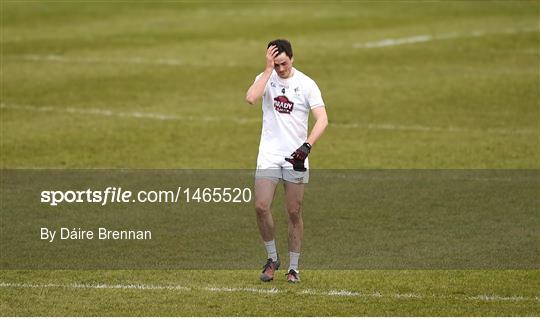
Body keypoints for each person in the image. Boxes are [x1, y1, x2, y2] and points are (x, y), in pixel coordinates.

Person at [245, 39, 328, 283]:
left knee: (294, 211)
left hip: (296, 157)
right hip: (269, 154)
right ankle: (272, 259)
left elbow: (322, 119)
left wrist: (307, 146)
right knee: (261, 206)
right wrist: (268, 70)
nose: (281, 69)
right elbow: (251, 97)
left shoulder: (306, 84)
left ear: (292, 58)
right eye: (276, 64)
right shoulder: (266, 76)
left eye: (283, 64)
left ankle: (293, 267)